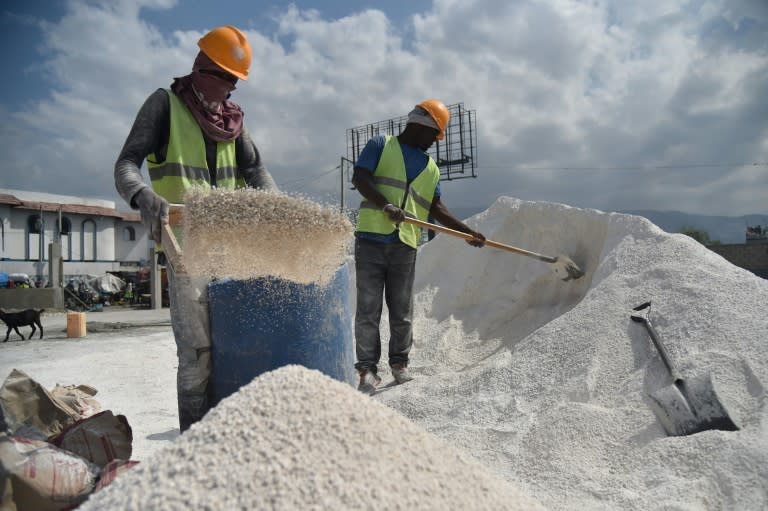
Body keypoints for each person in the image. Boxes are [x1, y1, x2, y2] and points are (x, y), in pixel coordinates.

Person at [114, 25, 278, 431]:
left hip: (233, 251)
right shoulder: (164, 105)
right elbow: (126, 164)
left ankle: (227, 431)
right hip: (186, 251)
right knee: (197, 354)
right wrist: (141, 195)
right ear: (202, 68)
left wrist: (280, 211)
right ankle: (193, 435)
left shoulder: (232, 122)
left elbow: (257, 172)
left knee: (237, 346)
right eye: (225, 78)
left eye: (235, 82)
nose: (230, 90)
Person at [351, 99, 486, 395]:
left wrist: (467, 232)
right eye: (433, 136)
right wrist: (385, 205)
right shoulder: (381, 144)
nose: (434, 144)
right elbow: (360, 177)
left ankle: (399, 365)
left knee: (402, 310)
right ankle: (368, 371)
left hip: (405, 245)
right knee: (368, 310)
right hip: (371, 239)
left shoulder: (431, 168)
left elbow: (437, 208)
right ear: (421, 126)